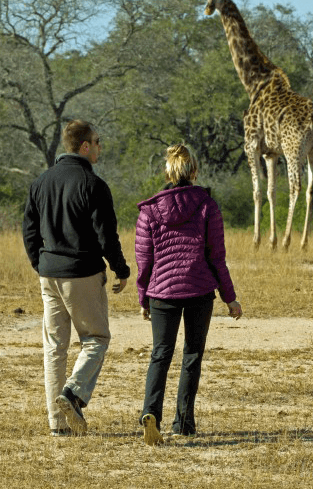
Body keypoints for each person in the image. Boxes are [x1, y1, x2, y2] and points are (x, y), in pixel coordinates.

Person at [22, 119, 130, 437]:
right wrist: (121, 270)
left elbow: (29, 231)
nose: (100, 146)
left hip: (49, 273)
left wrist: (41, 264)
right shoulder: (92, 184)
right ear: (85, 146)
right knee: (96, 339)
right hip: (81, 273)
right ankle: (74, 392)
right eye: (97, 141)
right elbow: (107, 236)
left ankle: (58, 425)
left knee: (55, 347)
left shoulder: (41, 182)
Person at [135, 143, 242, 446]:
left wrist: (143, 298)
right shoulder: (207, 205)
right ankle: (183, 423)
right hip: (199, 291)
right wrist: (229, 298)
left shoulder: (149, 211)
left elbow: (145, 260)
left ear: (167, 172)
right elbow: (216, 257)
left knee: (160, 354)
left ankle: (150, 412)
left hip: (162, 293)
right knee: (191, 356)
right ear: (194, 170)